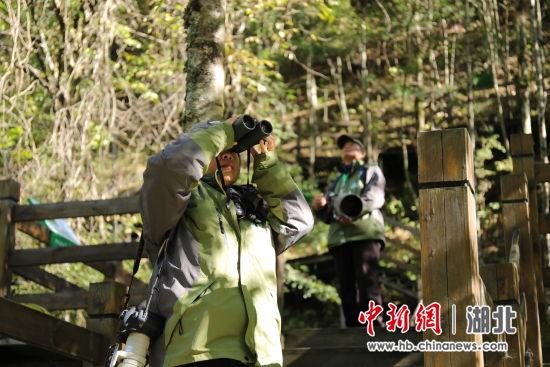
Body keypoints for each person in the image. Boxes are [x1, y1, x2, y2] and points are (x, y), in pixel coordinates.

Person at [139, 117, 314, 367]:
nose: (227, 155)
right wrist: (224, 131)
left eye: (234, 152)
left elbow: (299, 220)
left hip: (261, 356)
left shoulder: (253, 207)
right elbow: (170, 168)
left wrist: (267, 165)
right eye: (220, 150)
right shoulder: (178, 203)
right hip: (195, 351)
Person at [311, 134, 386, 328]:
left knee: (367, 280)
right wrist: (320, 206)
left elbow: (374, 197)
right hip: (339, 238)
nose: (347, 149)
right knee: (346, 286)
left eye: (352, 146)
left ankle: (374, 326)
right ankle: (351, 329)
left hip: (365, 233)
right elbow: (328, 216)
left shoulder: (370, 170)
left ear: (361, 152)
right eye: (344, 147)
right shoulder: (337, 180)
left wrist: (352, 212)